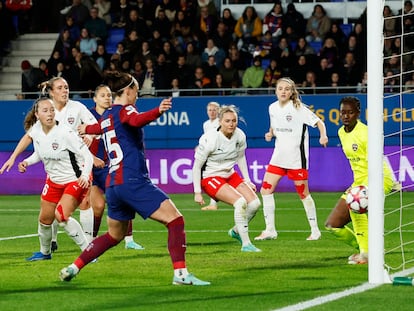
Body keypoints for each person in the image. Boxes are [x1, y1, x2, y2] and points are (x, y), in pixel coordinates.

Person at [60, 71, 210, 286]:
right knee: (176, 221)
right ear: (128, 91)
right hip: (132, 180)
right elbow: (136, 119)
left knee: (114, 235)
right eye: (136, 91)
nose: (137, 96)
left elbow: (99, 127)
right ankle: (181, 274)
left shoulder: (107, 115)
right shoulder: (125, 109)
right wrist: (157, 111)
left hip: (113, 185)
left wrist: (86, 128)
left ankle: (73, 267)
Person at [0, 77, 98, 251]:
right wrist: (19, 159)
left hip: (78, 167)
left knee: (75, 207)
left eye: (67, 87)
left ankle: (89, 246)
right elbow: (35, 143)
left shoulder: (75, 110)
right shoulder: (41, 121)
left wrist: (89, 136)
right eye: (60, 87)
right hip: (56, 169)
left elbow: (94, 128)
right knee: (47, 214)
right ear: (51, 92)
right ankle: (50, 245)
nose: (65, 90)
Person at [18, 97, 92, 261]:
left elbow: (87, 156)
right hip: (53, 181)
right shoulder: (36, 130)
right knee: (45, 220)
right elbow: (39, 153)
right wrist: (26, 162)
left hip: (74, 179)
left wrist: (85, 175)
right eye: (45, 111)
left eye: (52, 110)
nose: (50, 113)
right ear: (37, 114)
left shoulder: (66, 132)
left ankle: (88, 252)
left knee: (61, 216)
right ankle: (45, 253)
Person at [325, 96, 396, 264]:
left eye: (350, 112)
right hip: (359, 181)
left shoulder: (367, 133)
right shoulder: (341, 132)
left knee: (355, 204)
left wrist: (366, 188)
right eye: (343, 112)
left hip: (378, 178)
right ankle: (370, 249)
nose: (346, 116)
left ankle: (366, 255)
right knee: (333, 225)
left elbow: (378, 162)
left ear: (358, 114)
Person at [255, 77, 328, 241]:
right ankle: (270, 230)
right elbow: (274, 125)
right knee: (265, 190)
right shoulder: (272, 108)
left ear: (291, 92)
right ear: (276, 90)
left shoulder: (298, 108)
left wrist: (323, 136)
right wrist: (270, 133)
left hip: (296, 159)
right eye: (280, 88)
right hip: (278, 157)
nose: (283, 91)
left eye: (287, 89)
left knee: (303, 194)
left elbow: (319, 123)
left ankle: (315, 230)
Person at [192, 105, 261, 253]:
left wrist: (247, 180)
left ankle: (236, 231)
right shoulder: (209, 139)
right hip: (210, 178)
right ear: (220, 122)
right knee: (240, 202)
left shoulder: (240, 135)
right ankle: (246, 244)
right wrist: (197, 192)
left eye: (234, 121)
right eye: (228, 121)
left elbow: (241, 157)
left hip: (230, 174)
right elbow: (197, 167)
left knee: (254, 204)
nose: (231, 124)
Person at [86, 84, 144, 249]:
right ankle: (92, 240)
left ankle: (129, 240)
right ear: (95, 98)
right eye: (103, 95)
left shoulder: (115, 113)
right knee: (97, 206)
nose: (107, 98)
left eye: (109, 95)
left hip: (108, 166)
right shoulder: (87, 115)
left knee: (123, 198)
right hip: (89, 168)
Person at [199, 101, 220, 211]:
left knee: (214, 176)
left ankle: (213, 204)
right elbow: (206, 139)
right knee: (210, 177)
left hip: (218, 153)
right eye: (210, 110)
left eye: (214, 110)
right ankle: (213, 203)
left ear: (218, 111)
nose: (212, 112)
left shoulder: (220, 123)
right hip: (208, 153)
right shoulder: (206, 124)